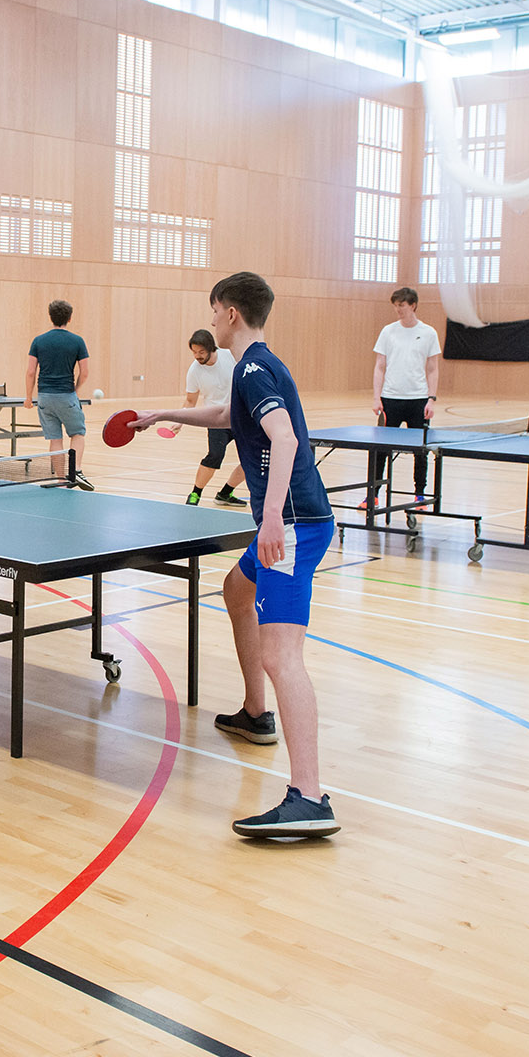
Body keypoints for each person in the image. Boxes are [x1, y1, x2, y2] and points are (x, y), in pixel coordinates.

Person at [133, 273, 339, 839]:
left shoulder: (250, 368)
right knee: (235, 589)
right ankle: (255, 714)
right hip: (294, 519)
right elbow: (230, 418)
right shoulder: (260, 366)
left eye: (213, 312)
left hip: (291, 525)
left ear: (227, 313)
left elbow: (285, 439)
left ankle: (310, 796)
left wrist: (272, 516)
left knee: (283, 657)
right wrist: (167, 416)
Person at [370, 287, 441, 507]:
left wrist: (431, 398)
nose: (398, 309)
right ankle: (373, 493)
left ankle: (419, 494)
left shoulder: (428, 332)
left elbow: (432, 368)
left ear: (413, 305)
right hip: (390, 399)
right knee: (381, 450)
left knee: (420, 451)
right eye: (396, 305)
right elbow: (380, 366)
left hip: (418, 400)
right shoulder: (388, 331)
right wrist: (376, 397)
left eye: (401, 305)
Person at [24, 299, 94, 490]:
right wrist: (76, 390)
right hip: (66, 395)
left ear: (50, 317)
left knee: (56, 440)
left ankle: (62, 479)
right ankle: (76, 470)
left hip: (44, 397)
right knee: (78, 433)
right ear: (69, 318)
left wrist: (29, 397)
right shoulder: (77, 341)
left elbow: (31, 371)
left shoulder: (38, 341)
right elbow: (85, 372)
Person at [180, 329, 246, 507]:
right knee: (215, 455)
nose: (197, 356)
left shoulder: (229, 356)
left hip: (240, 417)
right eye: (194, 352)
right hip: (216, 419)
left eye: (201, 352)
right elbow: (190, 400)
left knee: (251, 459)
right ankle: (195, 494)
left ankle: (225, 493)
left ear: (211, 348)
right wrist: (180, 420)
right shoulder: (194, 371)